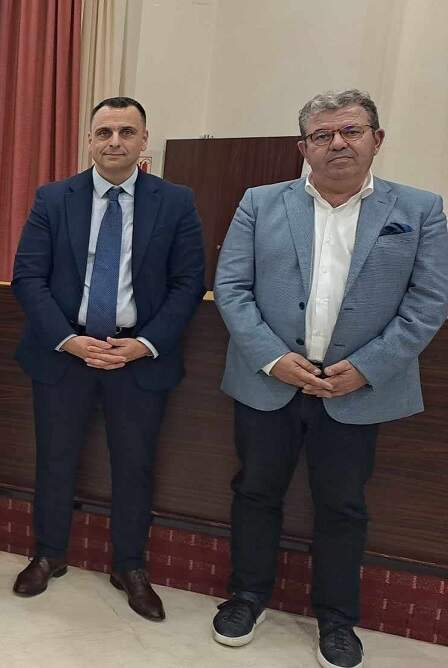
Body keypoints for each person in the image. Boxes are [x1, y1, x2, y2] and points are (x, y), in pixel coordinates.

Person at [212, 89, 448, 668]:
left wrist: (366, 368)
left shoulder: (420, 209)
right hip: (269, 382)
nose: (337, 143)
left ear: (376, 139)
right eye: (322, 135)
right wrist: (273, 358)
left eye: (351, 131)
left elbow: (428, 302)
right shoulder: (260, 202)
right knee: (255, 492)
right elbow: (232, 287)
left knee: (342, 506)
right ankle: (246, 597)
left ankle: (337, 620)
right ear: (304, 148)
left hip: (356, 390)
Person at [10, 97, 205, 621]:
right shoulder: (54, 198)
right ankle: (48, 554)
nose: (114, 142)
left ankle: (130, 566)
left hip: (137, 358)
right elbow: (28, 277)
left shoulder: (176, 201)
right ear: (89, 140)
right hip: (65, 354)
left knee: (135, 466)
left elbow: (189, 283)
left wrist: (144, 344)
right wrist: (67, 340)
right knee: (55, 459)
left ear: (144, 140)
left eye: (125, 132)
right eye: (103, 132)